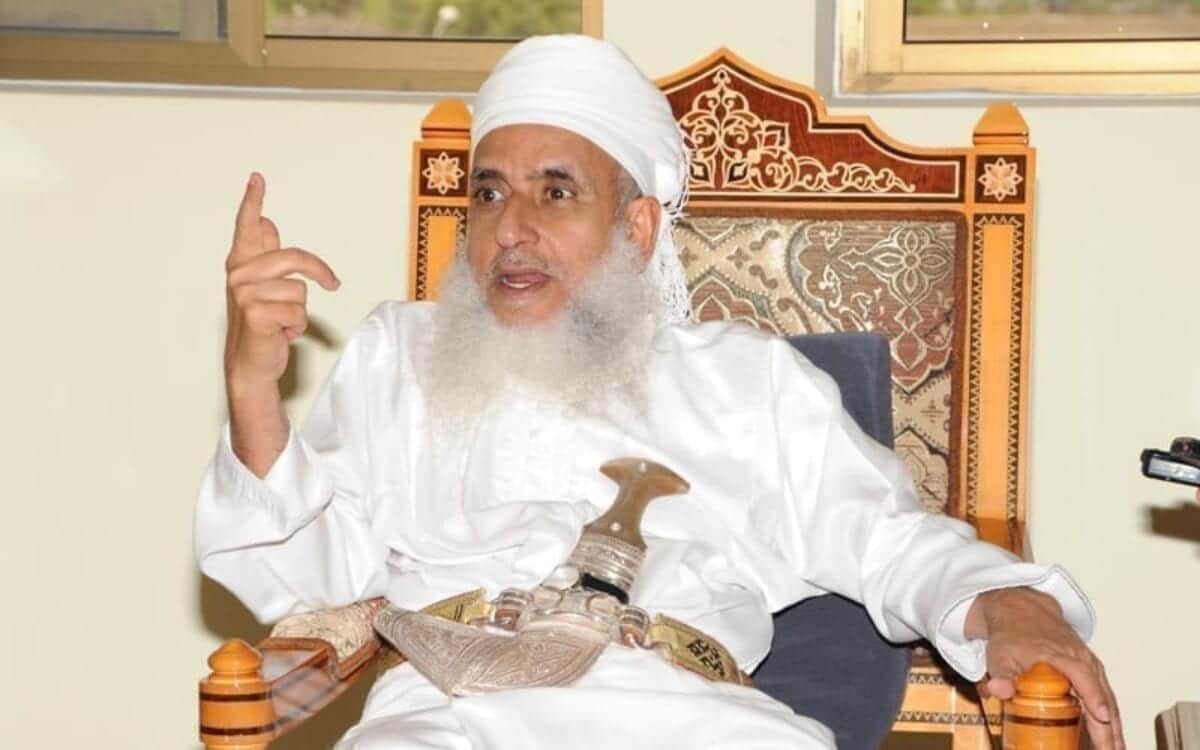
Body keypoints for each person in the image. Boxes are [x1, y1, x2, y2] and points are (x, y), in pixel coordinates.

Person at [196, 35, 1124, 749]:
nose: (510, 228)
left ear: (638, 227)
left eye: (556, 192)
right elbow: (306, 581)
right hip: (449, 710)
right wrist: (253, 386)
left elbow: (888, 540)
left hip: (687, 711)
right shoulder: (402, 355)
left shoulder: (746, 381)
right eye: (488, 193)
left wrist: (1009, 603)